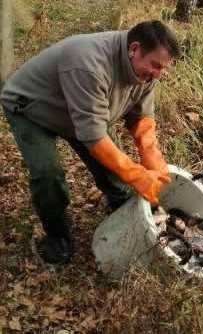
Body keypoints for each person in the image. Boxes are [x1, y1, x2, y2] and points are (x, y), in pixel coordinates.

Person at [0, 20, 180, 264]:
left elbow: (141, 117)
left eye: (163, 69)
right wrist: (137, 175)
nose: (158, 74)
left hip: (80, 111)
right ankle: (57, 237)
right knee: (48, 173)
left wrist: (152, 159)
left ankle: (124, 208)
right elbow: (93, 137)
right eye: (155, 66)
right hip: (32, 108)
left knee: (112, 171)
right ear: (134, 49)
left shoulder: (147, 71)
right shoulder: (89, 64)